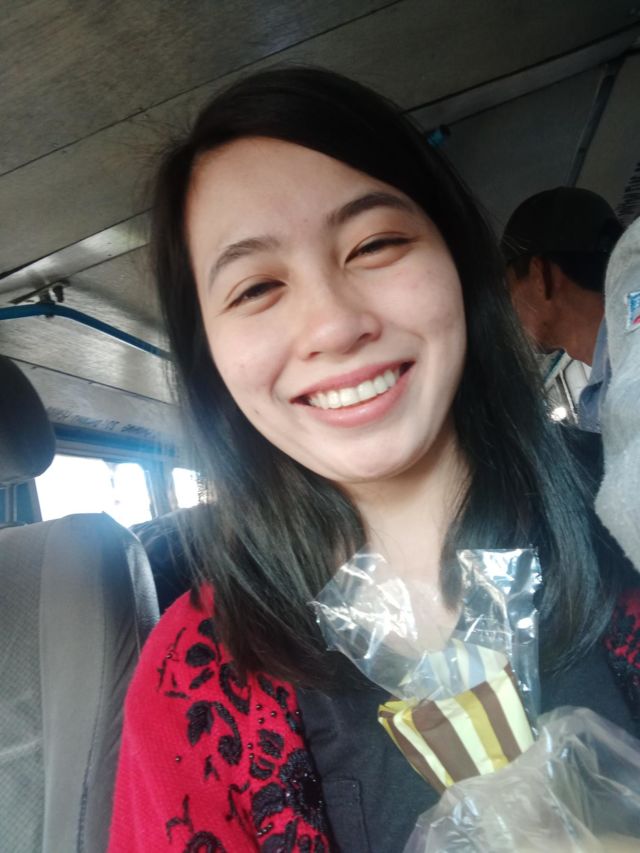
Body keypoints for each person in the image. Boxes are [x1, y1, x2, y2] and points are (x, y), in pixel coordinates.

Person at [108, 68, 639, 852]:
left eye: (376, 244)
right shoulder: (194, 677)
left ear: (456, 259)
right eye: (255, 288)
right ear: (209, 355)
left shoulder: (627, 502)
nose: (333, 323)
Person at [501, 187, 624, 432]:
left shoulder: (628, 373)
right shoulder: (613, 375)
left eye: (507, 289)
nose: (507, 311)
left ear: (540, 276)